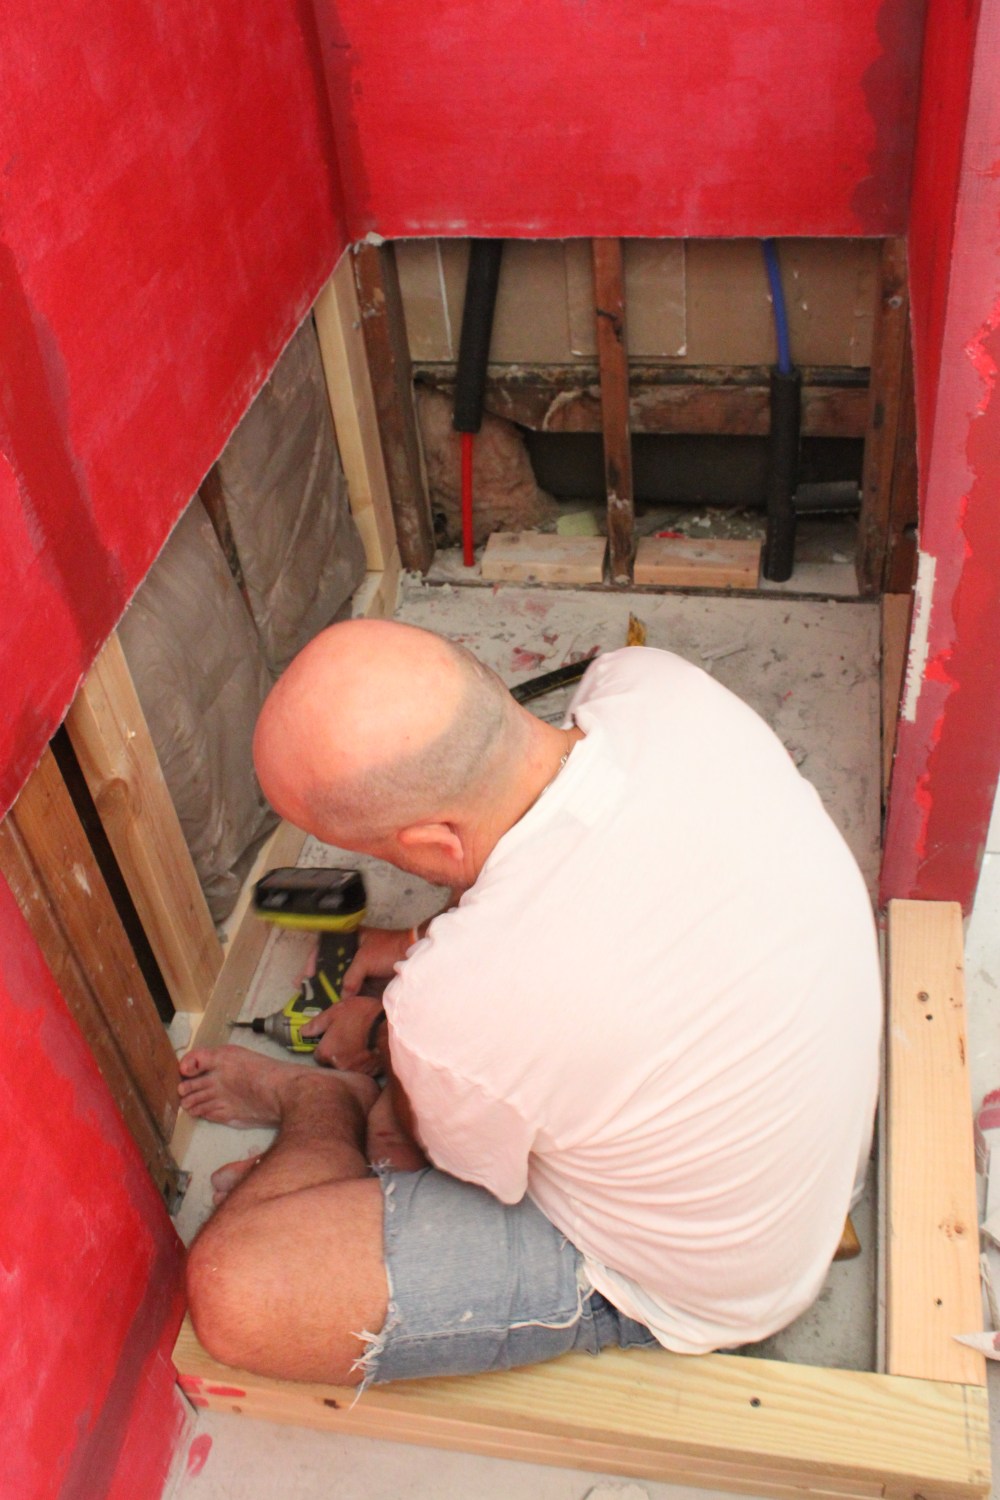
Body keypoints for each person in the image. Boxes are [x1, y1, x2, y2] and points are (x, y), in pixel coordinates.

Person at [180, 618, 881, 1387]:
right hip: (799, 1143)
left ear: (434, 842)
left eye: (373, 847)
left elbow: (448, 1161)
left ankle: (319, 1100)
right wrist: (419, 939)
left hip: (714, 1283)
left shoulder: (451, 1013)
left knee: (239, 1293)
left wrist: (389, 1045)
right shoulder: (653, 685)